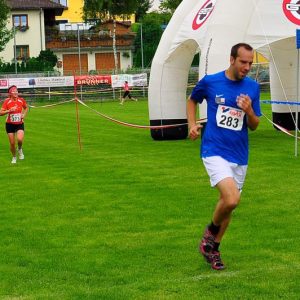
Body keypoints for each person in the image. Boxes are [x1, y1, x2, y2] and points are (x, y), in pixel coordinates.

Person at [187, 43, 261, 270]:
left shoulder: (253, 88)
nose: (247, 67)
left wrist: (249, 111)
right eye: (243, 62)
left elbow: (255, 125)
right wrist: (192, 124)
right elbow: (192, 100)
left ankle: (213, 250)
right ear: (232, 59)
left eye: (250, 63)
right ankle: (209, 235)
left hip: (239, 154)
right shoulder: (211, 82)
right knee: (230, 198)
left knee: (228, 206)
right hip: (214, 149)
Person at [0, 85, 28, 164]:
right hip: (10, 125)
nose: (16, 92)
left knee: (19, 139)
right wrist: (9, 110)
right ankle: (14, 157)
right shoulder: (7, 101)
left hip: (19, 124)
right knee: (12, 143)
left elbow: (26, 108)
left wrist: (23, 115)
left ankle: (19, 149)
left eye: (16, 91)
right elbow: (1, 113)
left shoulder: (21, 100)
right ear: (10, 94)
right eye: (14, 91)